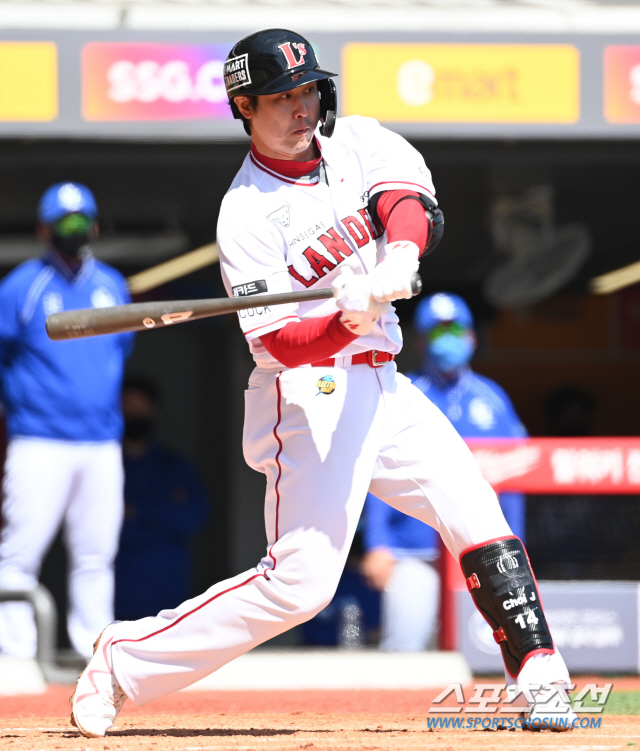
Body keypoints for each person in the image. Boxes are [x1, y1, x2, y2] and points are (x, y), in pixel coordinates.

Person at [71, 29, 575, 737]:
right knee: (300, 586)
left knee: (474, 509)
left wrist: (398, 258)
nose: (301, 106)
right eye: (281, 97)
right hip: (309, 398)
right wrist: (346, 320)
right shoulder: (244, 213)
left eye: (308, 89)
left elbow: (408, 202)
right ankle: (124, 659)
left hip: (386, 385)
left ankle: (542, 678)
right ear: (244, 107)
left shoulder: (358, 141)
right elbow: (279, 341)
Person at [0, 182, 134, 659]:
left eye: (82, 221)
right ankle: (15, 655)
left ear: (94, 227)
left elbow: (120, 351)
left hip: (101, 441)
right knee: (20, 552)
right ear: (44, 229)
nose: (75, 230)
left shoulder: (112, 285)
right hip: (39, 439)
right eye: (64, 223)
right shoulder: (21, 286)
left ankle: (92, 650)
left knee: (97, 554)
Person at [361, 292, 527, 651]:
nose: (447, 339)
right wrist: (377, 544)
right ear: (420, 341)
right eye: (437, 332)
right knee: (404, 648)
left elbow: (515, 482)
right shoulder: (402, 394)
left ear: (472, 337)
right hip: (412, 551)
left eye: (455, 330)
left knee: (483, 653)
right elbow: (375, 474)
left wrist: (518, 547)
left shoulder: (493, 400)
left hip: (481, 551)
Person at [115, 377, 210, 621]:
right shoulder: (106, 468)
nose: (134, 414)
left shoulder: (175, 467)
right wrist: (163, 513)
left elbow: (194, 517)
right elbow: (101, 527)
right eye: (128, 407)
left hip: (168, 596)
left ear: (153, 410)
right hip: (117, 596)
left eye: (141, 407)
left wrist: (136, 511)